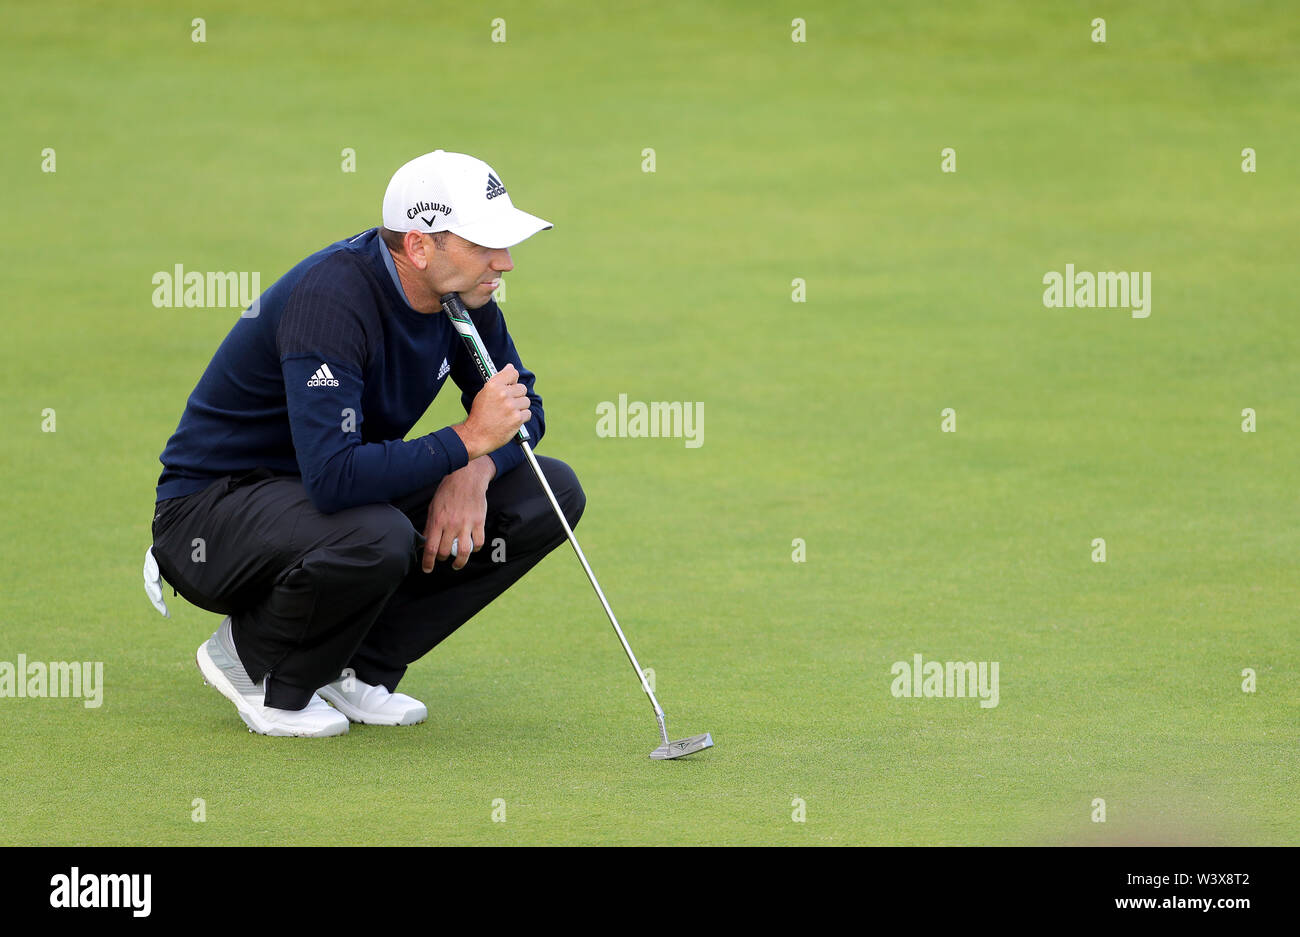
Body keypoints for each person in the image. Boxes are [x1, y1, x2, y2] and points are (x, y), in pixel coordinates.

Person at [145, 150, 585, 737]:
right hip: (211, 514)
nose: (503, 263)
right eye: (484, 245)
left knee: (546, 490)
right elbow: (334, 479)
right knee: (376, 534)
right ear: (421, 245)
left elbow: (521, 411)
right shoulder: (330, 300)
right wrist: (467, 439)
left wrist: (473, 467)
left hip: (322, 500)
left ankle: (355, 667)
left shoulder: (463, 298)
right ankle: (254, 664)